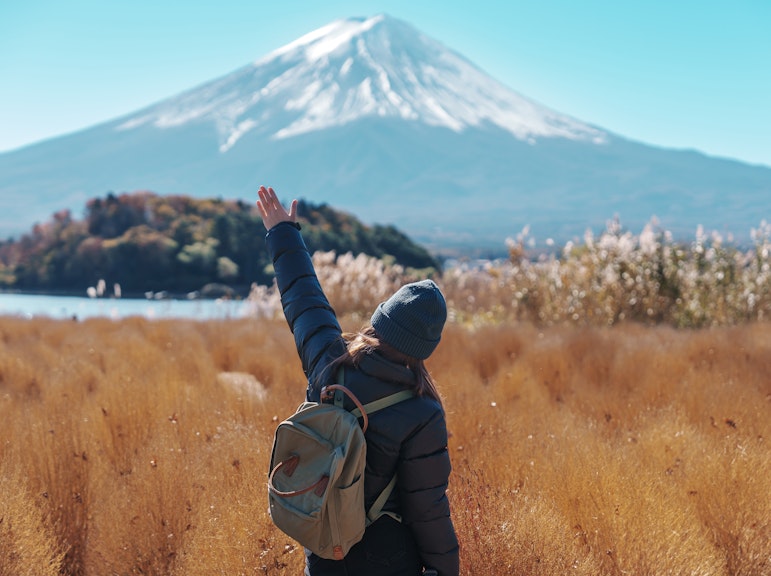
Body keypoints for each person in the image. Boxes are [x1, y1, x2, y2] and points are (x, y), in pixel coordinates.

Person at [257, 186, 459, 576]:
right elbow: (427, 509)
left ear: (380, 319)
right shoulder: (422, 410)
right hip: (387, 556)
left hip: (324, 542)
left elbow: (304, 300)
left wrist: (283, 233)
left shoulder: (330, 362)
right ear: (425, 347)